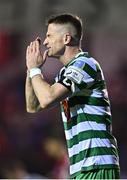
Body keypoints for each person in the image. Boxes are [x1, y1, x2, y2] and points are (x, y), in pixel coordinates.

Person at [25, 13, 120, 179]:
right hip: (81, 167)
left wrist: (35, 70)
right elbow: (33, 106)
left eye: (49, 36)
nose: (45, 42)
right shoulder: (64, 74)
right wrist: (30, 69)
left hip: (96, 164)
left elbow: (47, 99)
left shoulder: (84, 64)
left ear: (66, 38)